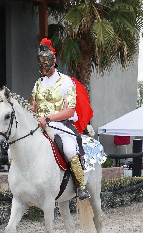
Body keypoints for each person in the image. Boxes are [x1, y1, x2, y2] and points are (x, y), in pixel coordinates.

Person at [30, 38, 90, 200]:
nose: (43, 67)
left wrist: (48, 118)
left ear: (53, 61)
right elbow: (32, 108)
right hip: (39, 126)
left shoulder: (66, 82)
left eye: (46, 63)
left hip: (60, 126)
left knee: (70, 149)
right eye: (41, 64)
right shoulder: (38, 84)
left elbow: (70, 111)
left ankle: (80, 186)